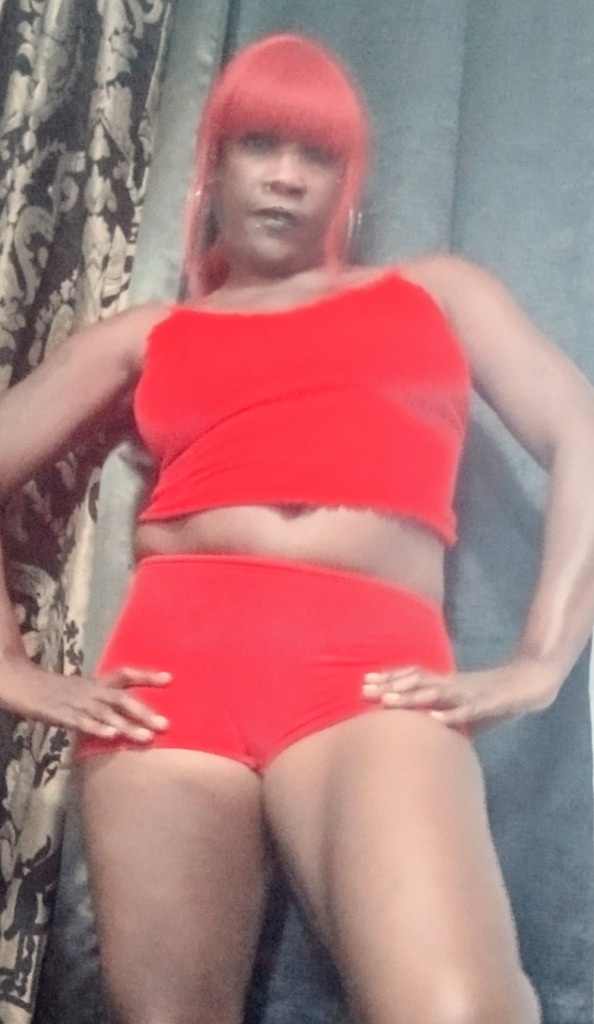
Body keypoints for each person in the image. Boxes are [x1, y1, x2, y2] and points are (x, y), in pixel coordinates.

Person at [0, 31, 593, 1024]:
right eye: (260, 144)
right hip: (171, 685)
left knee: (464, 1009)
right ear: (215, 163)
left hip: (370, 675)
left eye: (316, 153)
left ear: (346, 178)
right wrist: (11, 670)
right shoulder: (148, 335)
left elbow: (581, 431)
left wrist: (541, 660)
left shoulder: (436, 292)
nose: (285, 176)